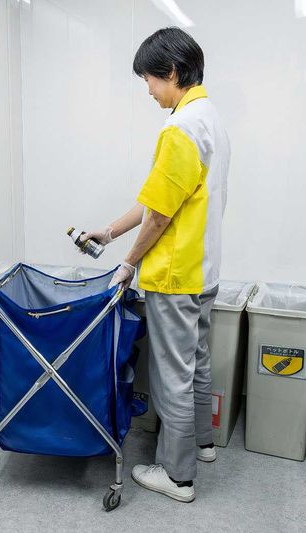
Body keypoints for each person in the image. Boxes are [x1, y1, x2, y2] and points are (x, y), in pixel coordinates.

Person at [81, 27, 230, 503]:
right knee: (197, 364)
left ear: (172, 72)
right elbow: (158, 201)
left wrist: (127, 263)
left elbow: (161, 217)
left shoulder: (179, 129)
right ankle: (202, 445)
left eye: (148, 79)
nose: (147, 90)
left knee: (172, 376)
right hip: (204, 270)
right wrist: (110, 231)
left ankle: (177, 476)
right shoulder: (209, 119)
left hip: (174, 275)